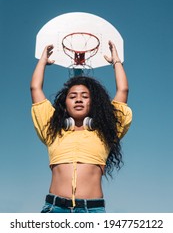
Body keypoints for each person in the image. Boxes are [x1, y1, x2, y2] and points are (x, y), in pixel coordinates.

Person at [30, 41, 132, 213]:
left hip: (92, 211)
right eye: (73, 96)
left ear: (93, 103)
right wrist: (42, 61)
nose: (78, 99)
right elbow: (35, 88)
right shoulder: (52, 130)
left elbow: (123, 90)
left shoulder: (105, 132)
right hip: (54, 209)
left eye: (85, 96)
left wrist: (116, 62)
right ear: (65, 103)